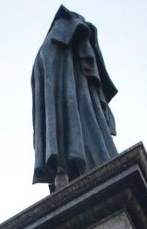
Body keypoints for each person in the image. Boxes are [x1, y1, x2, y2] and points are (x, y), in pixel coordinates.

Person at [32, 7, 118, 190]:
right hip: (80, 114)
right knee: (87, 125)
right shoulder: (71, 32)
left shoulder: (46, 50)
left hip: (64, 145)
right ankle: (74, 165)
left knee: (76, 122)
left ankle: (62, 168)